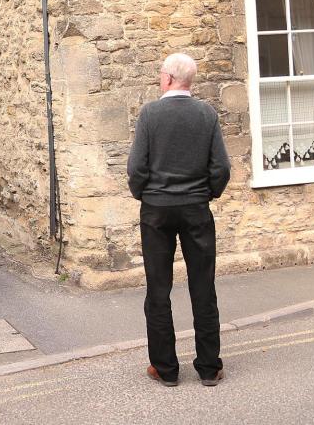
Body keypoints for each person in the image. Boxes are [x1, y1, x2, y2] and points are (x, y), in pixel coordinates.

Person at [127, 52, 230, 388]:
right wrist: (208, 193)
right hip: (195, 209)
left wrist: (144, 193)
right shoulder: (207, 114)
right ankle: (208, 368)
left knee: (158, 289)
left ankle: (166, 369)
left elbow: (136, 169)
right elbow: (221, 169)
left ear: (168, 78)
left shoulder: (149, 114)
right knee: (203, 287)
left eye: (161, 75)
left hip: (156, 210)